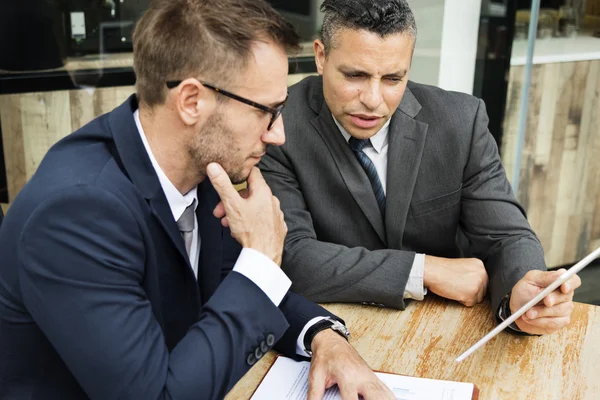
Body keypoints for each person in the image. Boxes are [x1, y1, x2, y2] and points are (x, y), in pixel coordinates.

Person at [0, 1, 394, 399]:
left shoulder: (203, 164)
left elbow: (225, 276)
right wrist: (261, 258)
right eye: (267, 112)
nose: (278, 136)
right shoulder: (77, 213)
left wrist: (323, 336)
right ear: (192, 102)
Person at [259, 0, 581, 336]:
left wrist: (522, 292)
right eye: (355, 75)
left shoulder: (461, 122)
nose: (372, 99)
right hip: (328, 331)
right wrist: (422, 270)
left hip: (446, 330)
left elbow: (506, 235)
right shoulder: (278, 125)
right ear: (321, 56)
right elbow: (290, 257)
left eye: (393, 78)